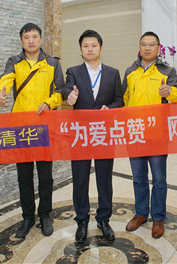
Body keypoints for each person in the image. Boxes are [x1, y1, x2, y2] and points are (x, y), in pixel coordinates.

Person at [0, 23, 64, 239]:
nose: (31, 41)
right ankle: (27, 217)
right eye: (27, 37)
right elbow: (5, 81)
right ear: (21, 41)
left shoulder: (52, 63)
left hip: (44, 127)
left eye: (34, 36)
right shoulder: (14, 62)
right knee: (24, 176)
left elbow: (60, 91)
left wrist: (49, 102)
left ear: (41, 39)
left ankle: (45, 215)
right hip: (21, 127)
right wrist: (1, 93)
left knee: (45, 176)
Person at [63, 30, 124, 243]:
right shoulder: (73, 72)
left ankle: (103, 219)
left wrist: (110, 108)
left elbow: (119, 100)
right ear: (81, 49)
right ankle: (81, 221)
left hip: (103, 133)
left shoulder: (113, 73)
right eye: (85, 46)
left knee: (104, 178)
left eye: (94, 45)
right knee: (80, 178)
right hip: (80, 134)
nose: (90, 49)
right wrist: (70, 96)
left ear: (101, 48)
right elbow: (66, 90)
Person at [122, 31, 177, 239]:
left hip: (158, 134)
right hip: (135, 133)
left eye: (152, 44)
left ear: (158, 48)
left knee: (159, 179)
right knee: (138, 178)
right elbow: (123, 100)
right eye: (144, 44)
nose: (147, 48)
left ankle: (158, 217)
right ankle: (141, 214)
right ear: (139, 47)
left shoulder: (167, 71)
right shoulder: (130, 71)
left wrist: (170, 92)